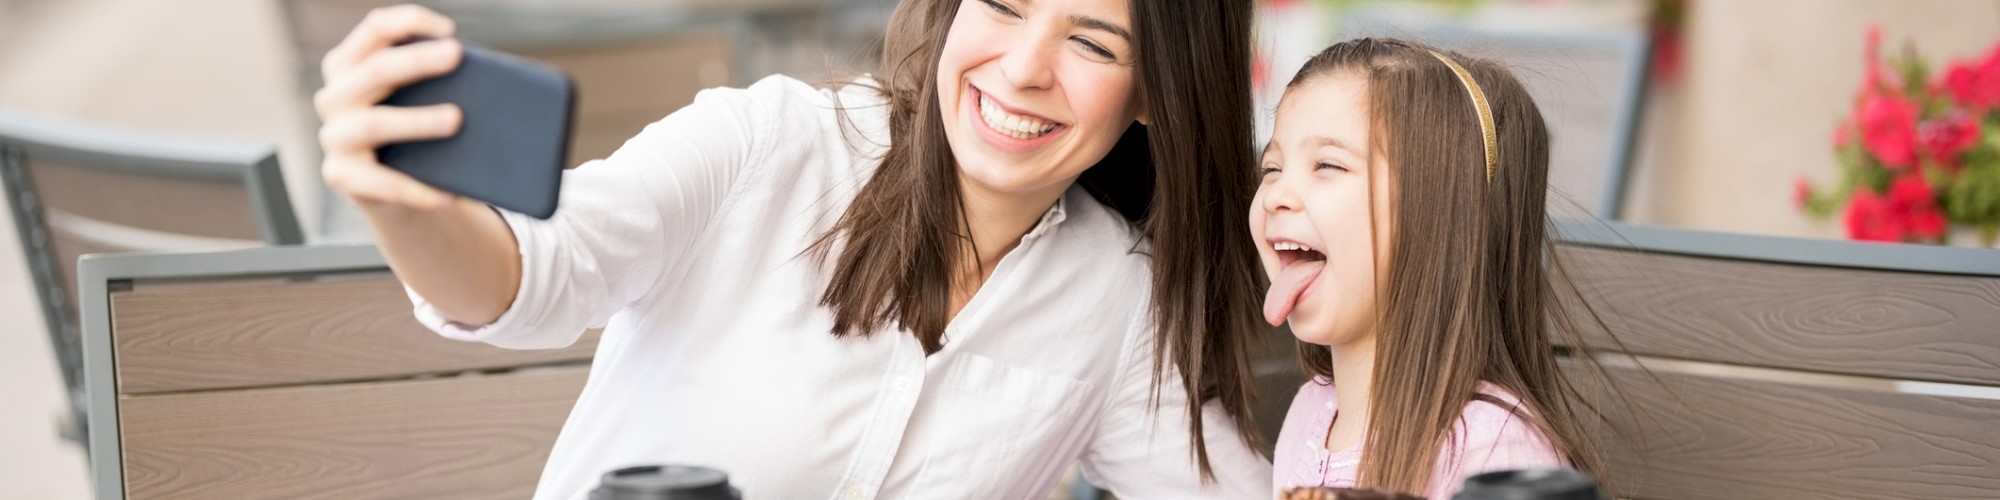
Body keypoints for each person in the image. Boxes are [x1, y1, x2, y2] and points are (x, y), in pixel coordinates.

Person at [311, 1, 1272, 498]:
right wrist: (400, 198)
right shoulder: (768, 144)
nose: (1023, 68)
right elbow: (527, 277)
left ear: (1158, 94)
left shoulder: (1115, 299)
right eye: (1002, 4)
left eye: (1094, 44)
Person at [1254, 38, 1613, 498]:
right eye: (1272, 168)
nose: (1275, 195)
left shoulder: (1494, 447)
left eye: (1327, 164)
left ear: (1438, 216)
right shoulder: (1312, 411)